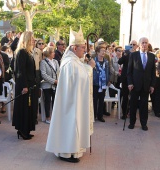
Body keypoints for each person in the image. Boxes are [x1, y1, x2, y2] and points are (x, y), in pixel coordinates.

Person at [45, 27, 95, 163]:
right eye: (82, 47)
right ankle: (66, 152)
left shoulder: (74, 61)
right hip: (70, 103)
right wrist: (90, 67)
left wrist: (86, 66)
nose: (84, 50)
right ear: (74, 48)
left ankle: (74, 150)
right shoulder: (69, 63)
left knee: (74, 124)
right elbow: (80, 78)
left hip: (75, 101)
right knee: (70, 125)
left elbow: (80, 74)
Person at [12, 31, 37, 140]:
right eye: (31, 38)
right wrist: (25, 86)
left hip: (30, 85)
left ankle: (26, 129)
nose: (33, 40)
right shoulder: (21, 52)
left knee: (29, 108)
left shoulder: (28, 52)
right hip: (24, 86)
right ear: (26, 40)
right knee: (24, 108)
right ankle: (22, 130)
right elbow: (20, 72)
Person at [127, 37, 156, 131]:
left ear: (148, 44)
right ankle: (132, 123)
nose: (144, 44)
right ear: (139, 45)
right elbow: (129, 71)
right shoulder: (133, 55)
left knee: (144, 106)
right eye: (143, 43)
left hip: (146, 85)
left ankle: (144, 124)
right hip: (135, 85)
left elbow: (153, 72)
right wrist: (130, 83)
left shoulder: (151, 56)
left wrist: (152, 85)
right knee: (133, 105)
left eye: (146, 43)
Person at [118, 40, 138, 119]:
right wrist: (125, 54)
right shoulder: (125, 53)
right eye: (131, 44)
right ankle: (124, 113)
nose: (132, 45)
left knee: (133, 96)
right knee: (125, 96)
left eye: (134, 44)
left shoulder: (138, 54)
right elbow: (120, 62)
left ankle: (132, 113)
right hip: (125, 77)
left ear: (137, 46)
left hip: (135, 78)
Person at [40, 47, 59, 124]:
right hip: (47, 85)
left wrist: (58, 80)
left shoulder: (55, 61)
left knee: (56, 101)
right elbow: (43, 74)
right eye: (52, 52)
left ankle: (55, 117)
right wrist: (53, 81)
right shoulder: (43, 62)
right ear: (48, 53)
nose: (54, 53)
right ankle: (48, 117)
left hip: (55, 85)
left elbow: (58, 71)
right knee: (47, 101)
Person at [93, 44, 110, 122]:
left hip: (103, 84)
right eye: (102, 51)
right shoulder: (93, 61)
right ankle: (93, 115)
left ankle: (100, 116)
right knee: (94, 100)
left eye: (104, 51)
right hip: (95, 83)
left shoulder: (106, 62)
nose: (104, 52)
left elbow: (108, 72)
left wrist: (107, 80)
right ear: (97, 52)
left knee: (101, 100)